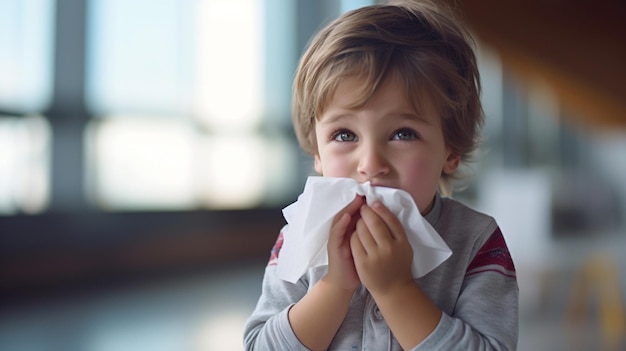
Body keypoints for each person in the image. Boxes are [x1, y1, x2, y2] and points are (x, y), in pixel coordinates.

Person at [243, 0, 518, 350]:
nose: (370, 164)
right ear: (317, 154)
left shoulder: (477, 242)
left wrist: (396, 290)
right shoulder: (301, 236)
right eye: (344, 135)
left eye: (403, 133)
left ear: (450, 151)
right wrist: (334, 286)